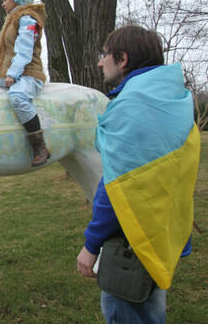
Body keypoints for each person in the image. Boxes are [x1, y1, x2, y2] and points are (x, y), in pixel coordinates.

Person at [76, 25, 199, 324]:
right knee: (151, 309)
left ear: (123, 59)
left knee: (128, 311)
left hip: (135, 238)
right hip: (164, 225)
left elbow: (117, 187)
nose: (99, 62)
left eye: (104, 55)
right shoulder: (174, 100)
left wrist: (91, 244)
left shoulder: (133, 106)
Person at [0, 0, 50, 166]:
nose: (3, 4)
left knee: (17, 98)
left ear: (17, 0)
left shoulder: (28, 19)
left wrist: (12, 75)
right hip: (6, 74)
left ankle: (40, 147)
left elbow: (24, 50)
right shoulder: (11, 19)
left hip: (28, 74)